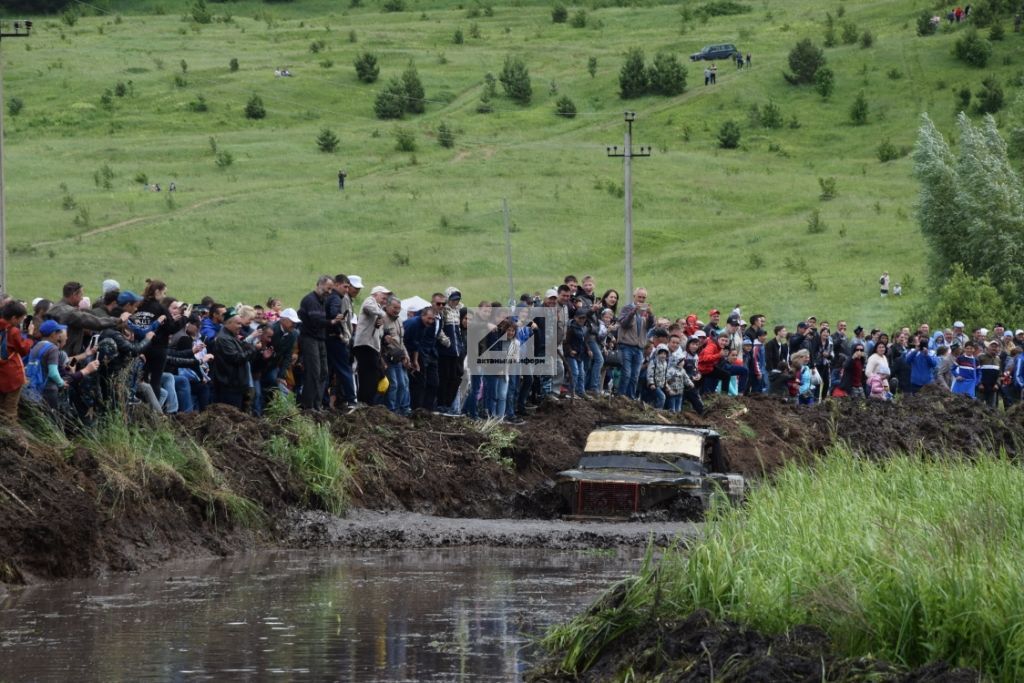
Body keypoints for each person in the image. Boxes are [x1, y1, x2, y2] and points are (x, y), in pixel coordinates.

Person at [297, 275, 333, 410]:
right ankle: (308, 406)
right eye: (328, 289)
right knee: (314, 372)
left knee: (323, 372)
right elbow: (315, 321)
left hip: (320, 338)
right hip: (309, 338)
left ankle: (317, 405)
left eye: (331, 289)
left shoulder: (322, 300)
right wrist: (331, 322)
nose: (329, 292)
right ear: (319, 285)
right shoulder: (310, 300)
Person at [210, 310, 257, 410]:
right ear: (228, 323)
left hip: (236, 385)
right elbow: (237, 358)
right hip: (229, 386)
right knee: (231, 417)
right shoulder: (224, 339)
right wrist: (253, 349)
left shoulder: (231, 336)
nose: (241, 326)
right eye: (238, 323)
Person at [354, 285, 390, 406]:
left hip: (371, 345)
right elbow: (369, 308)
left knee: (372, 373)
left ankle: (367, 401)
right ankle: (364, 401)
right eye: (383, 296)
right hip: (365, 344)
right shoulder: (370, 300)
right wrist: (383, 314)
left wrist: (378, 323)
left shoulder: (378, 308)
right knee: (368, 373)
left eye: (386, 298)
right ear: (375, 294)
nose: (385, 299)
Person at [615, 288, 654, 399]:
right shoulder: (626, 308)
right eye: (639, 297)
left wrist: (650, 314)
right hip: (626, 345)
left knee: (635, 376)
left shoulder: (645, 312)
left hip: (639, 347)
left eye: (643, 297)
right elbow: (624, 324)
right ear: (634, 296)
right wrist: (633, 312)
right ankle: (621, 396)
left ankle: (630, 397)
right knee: (626, 373)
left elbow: (650, 326)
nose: (641, 299)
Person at [0, 301, 34, 423]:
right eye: (21, 319)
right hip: (11, 374)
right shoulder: (13, 331)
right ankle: (11, 438)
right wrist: (29, 336)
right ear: (14, 318)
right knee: (10, 409)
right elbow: (23, 349)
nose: (21, 322)